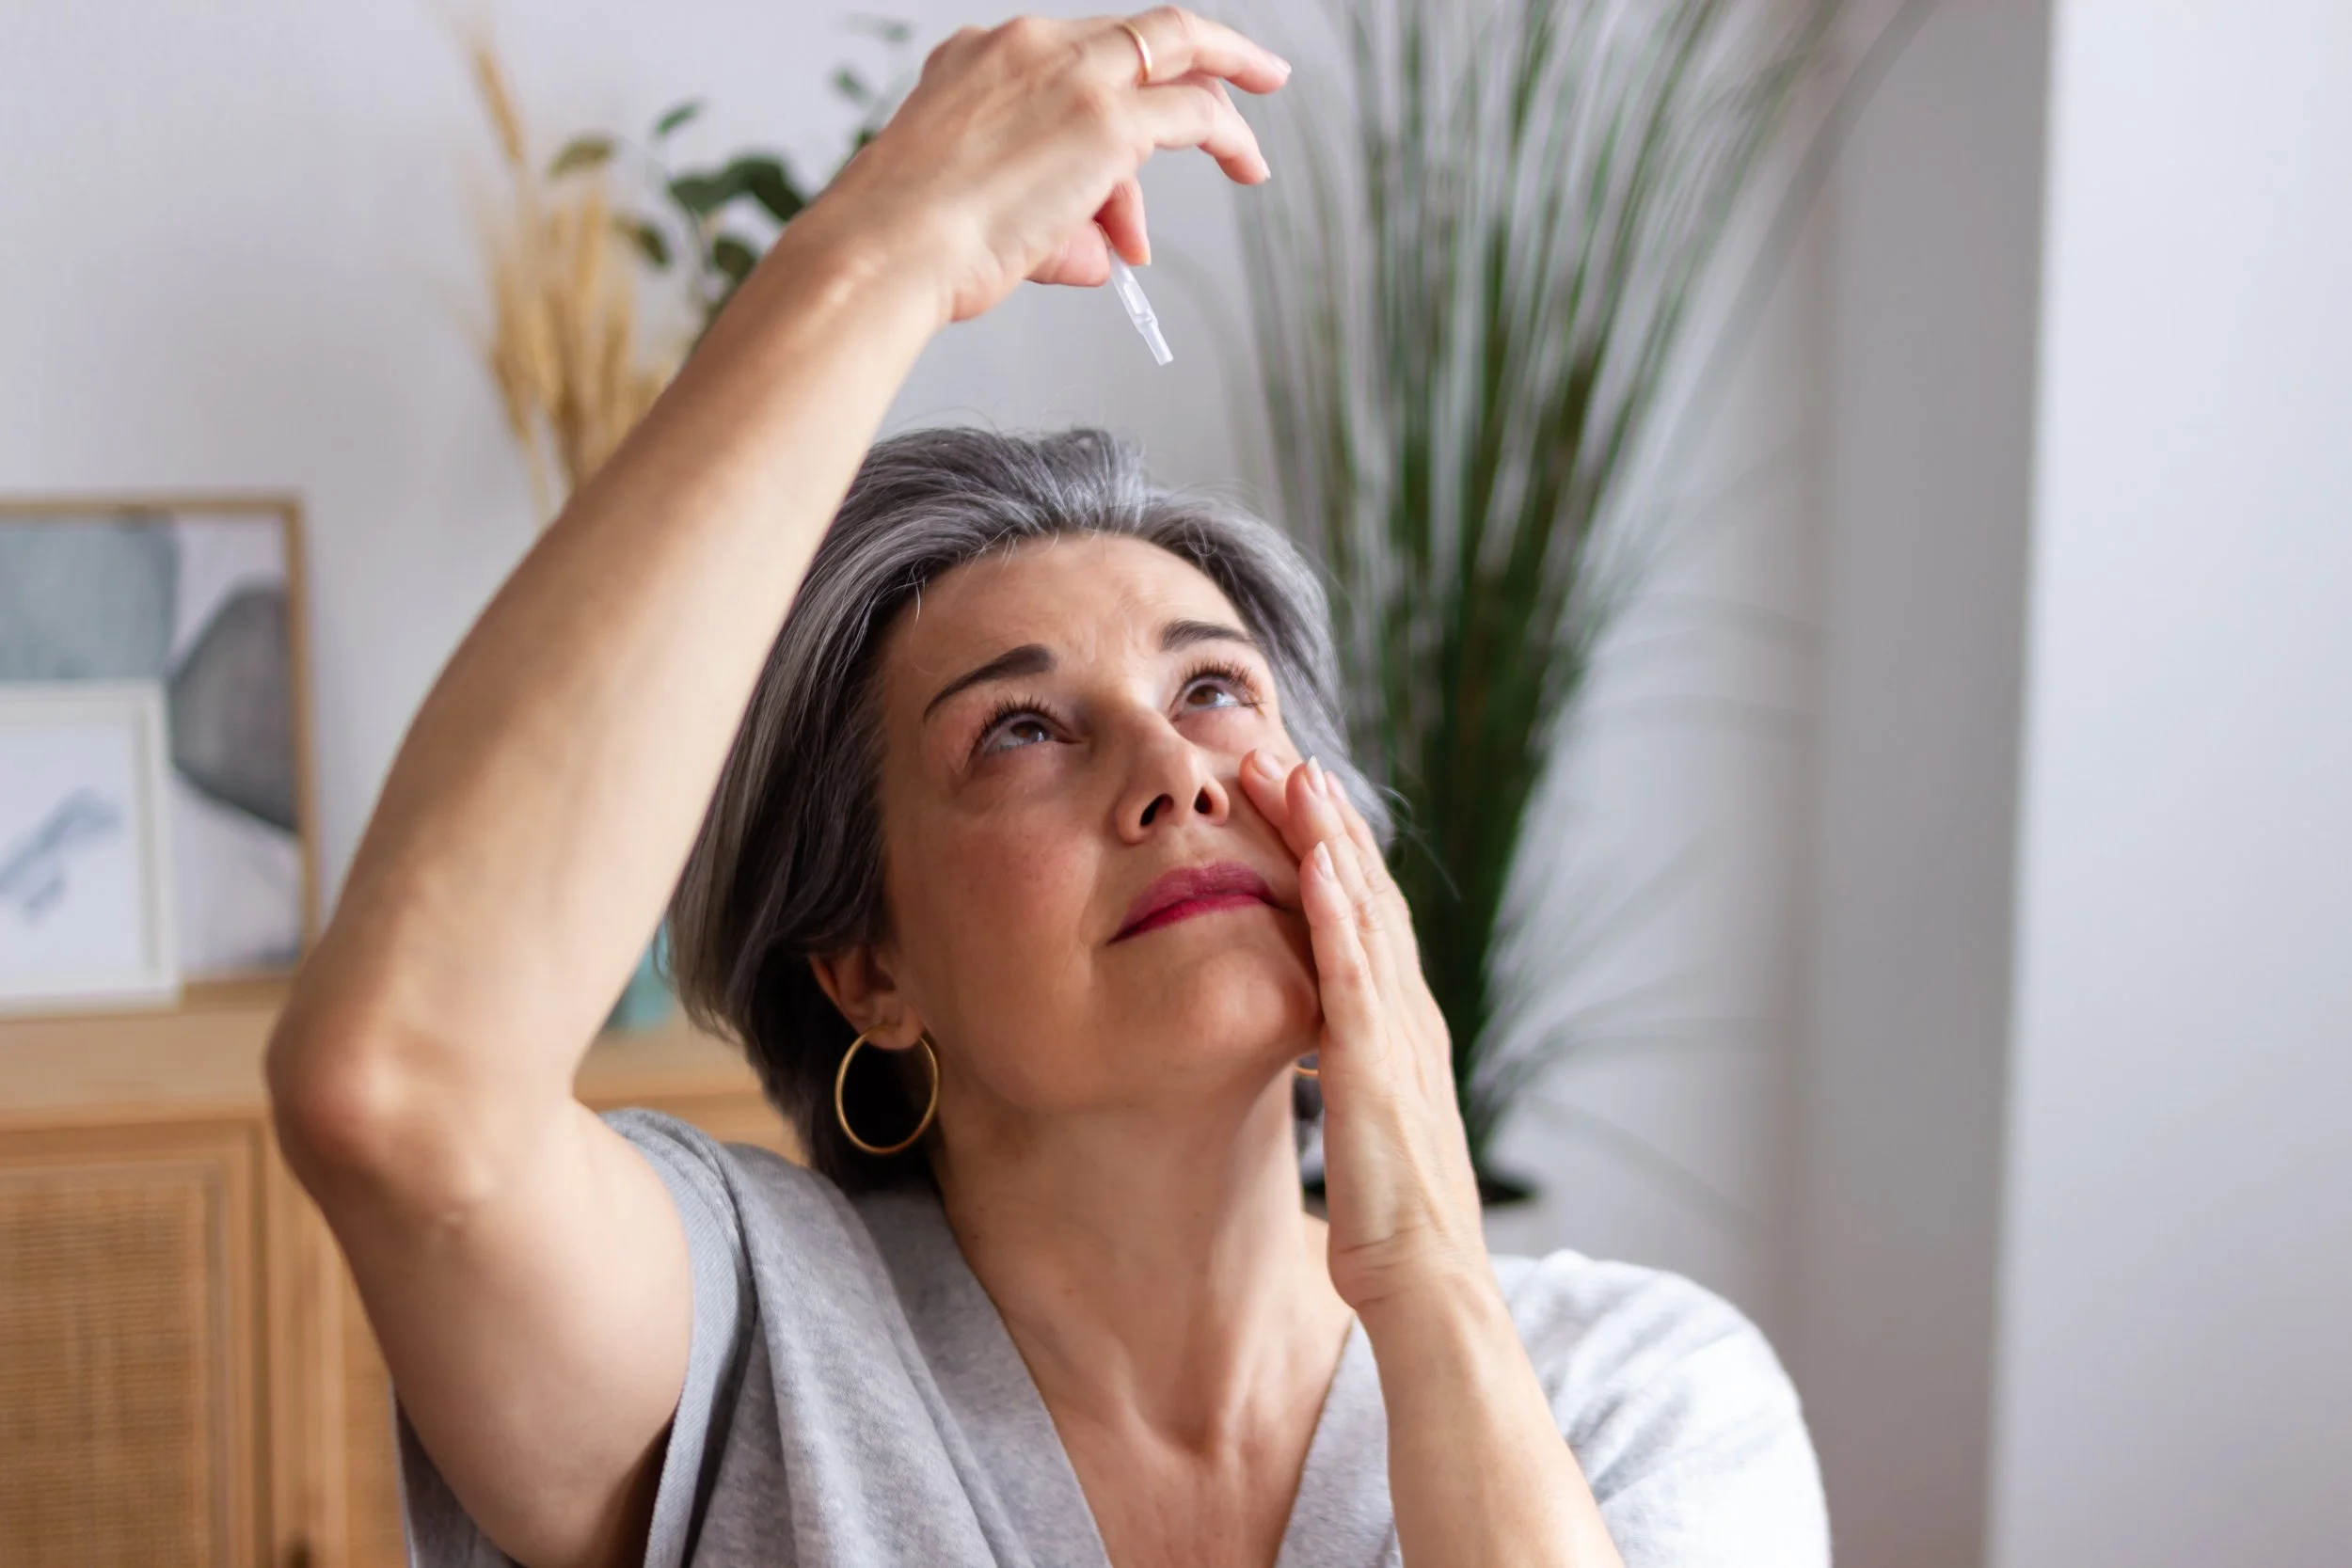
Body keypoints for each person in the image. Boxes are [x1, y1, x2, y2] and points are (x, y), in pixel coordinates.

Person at [267, 10, 1828, 1567]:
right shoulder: (742, 1342)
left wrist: (1429, 1280)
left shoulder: (1644, 1397)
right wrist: (880, 249)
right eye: (1018, 730)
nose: (1171, 773)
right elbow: (401, 1088)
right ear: (869, 966)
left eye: (1215, 688)